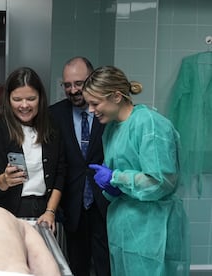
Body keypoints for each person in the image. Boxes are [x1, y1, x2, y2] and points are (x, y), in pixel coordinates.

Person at [83, 65, 190, 276]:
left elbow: (162, 181)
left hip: (152, 231)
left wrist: (116, 178)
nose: (91, 110)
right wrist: (112, 188)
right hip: (124, 229)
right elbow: (127, 181)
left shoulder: (150, 124)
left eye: (95, 103)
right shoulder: (112, 129)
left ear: (116, 96)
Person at [0, 67, 66, 231]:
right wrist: (5, 180)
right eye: (17, 99)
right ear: (8, 99)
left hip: (45, 210)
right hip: (8, 212)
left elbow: (60, 173)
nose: (24, 105)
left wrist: (50, 211)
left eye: (31, 98)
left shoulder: (52, 127)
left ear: (40, 98)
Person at [49, 57, 110, 276]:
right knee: (76, 267)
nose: (73, 90)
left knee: (106, 266)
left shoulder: (108, 113)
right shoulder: (54, 115)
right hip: (72, 205)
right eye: (67, 85)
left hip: (105, 202)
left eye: (79, 83)